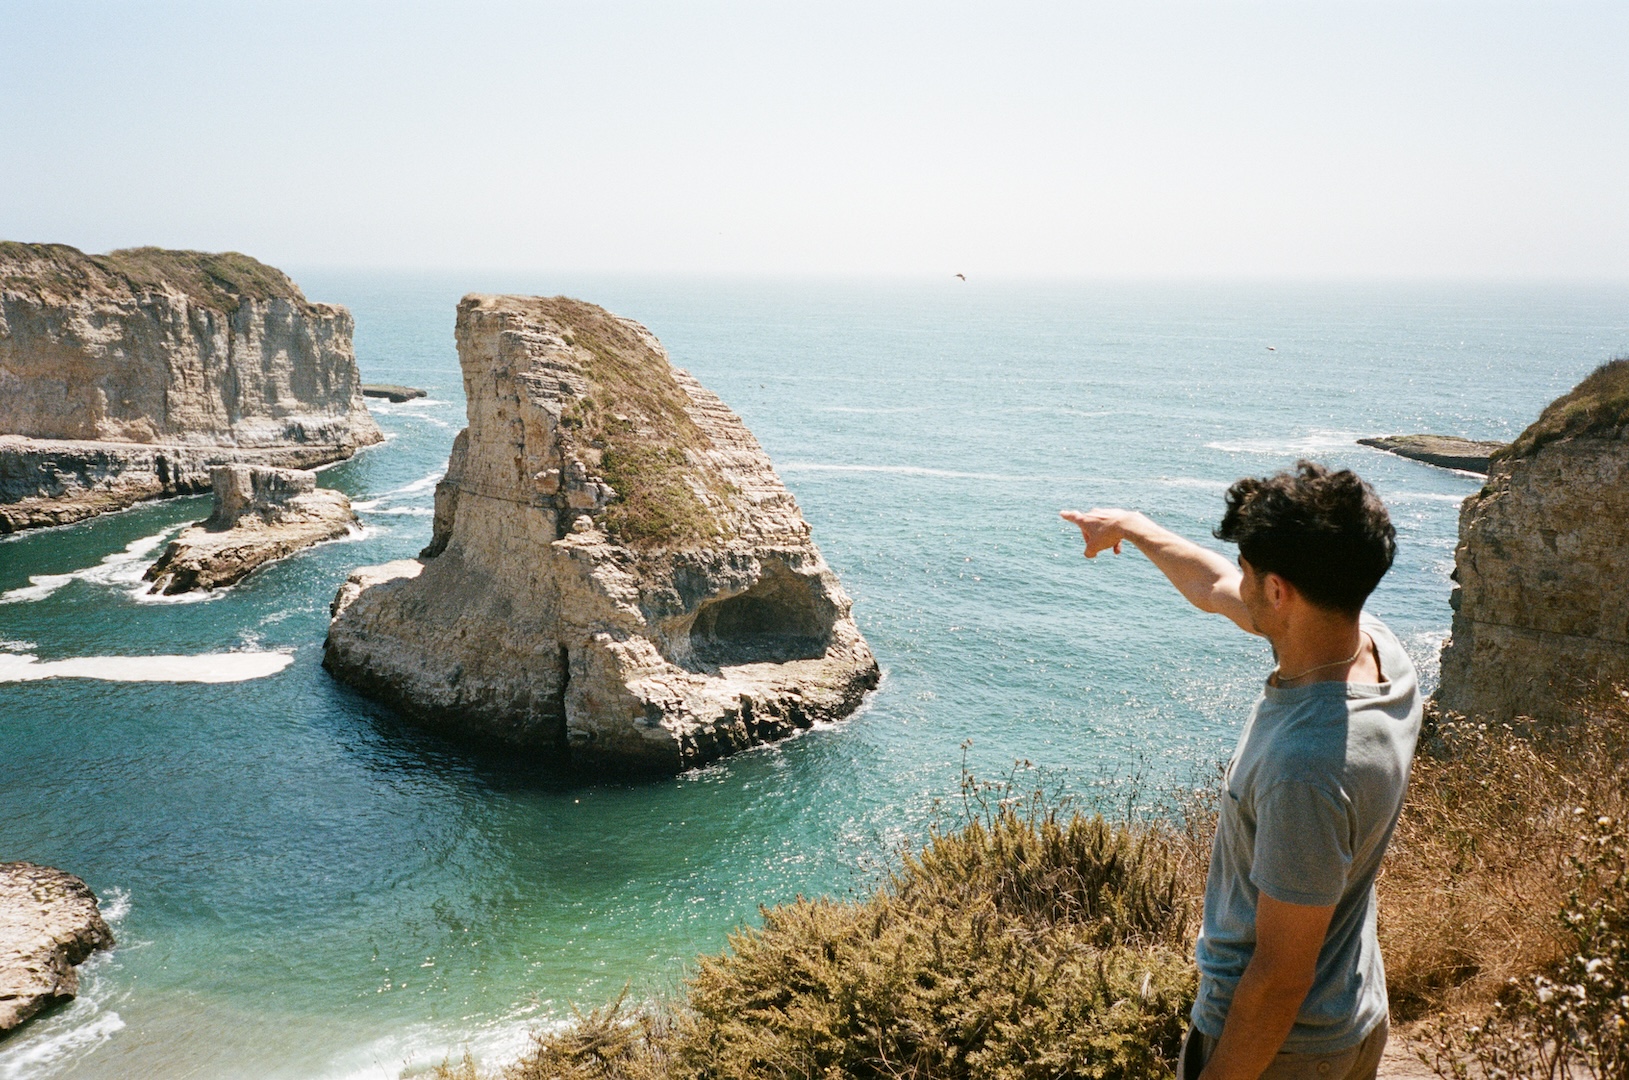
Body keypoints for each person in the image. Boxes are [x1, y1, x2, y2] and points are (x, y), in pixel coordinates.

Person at [1061, 461, 1420, 1080]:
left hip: (1284, 1053)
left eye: (1249, 571)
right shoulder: (1378, 648)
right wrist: (1133, 526)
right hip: (1355, 1011)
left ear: (1278, 592)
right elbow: (1214, 587)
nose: (1239, 581)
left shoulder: (1304, 768)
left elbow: (1280, 977)